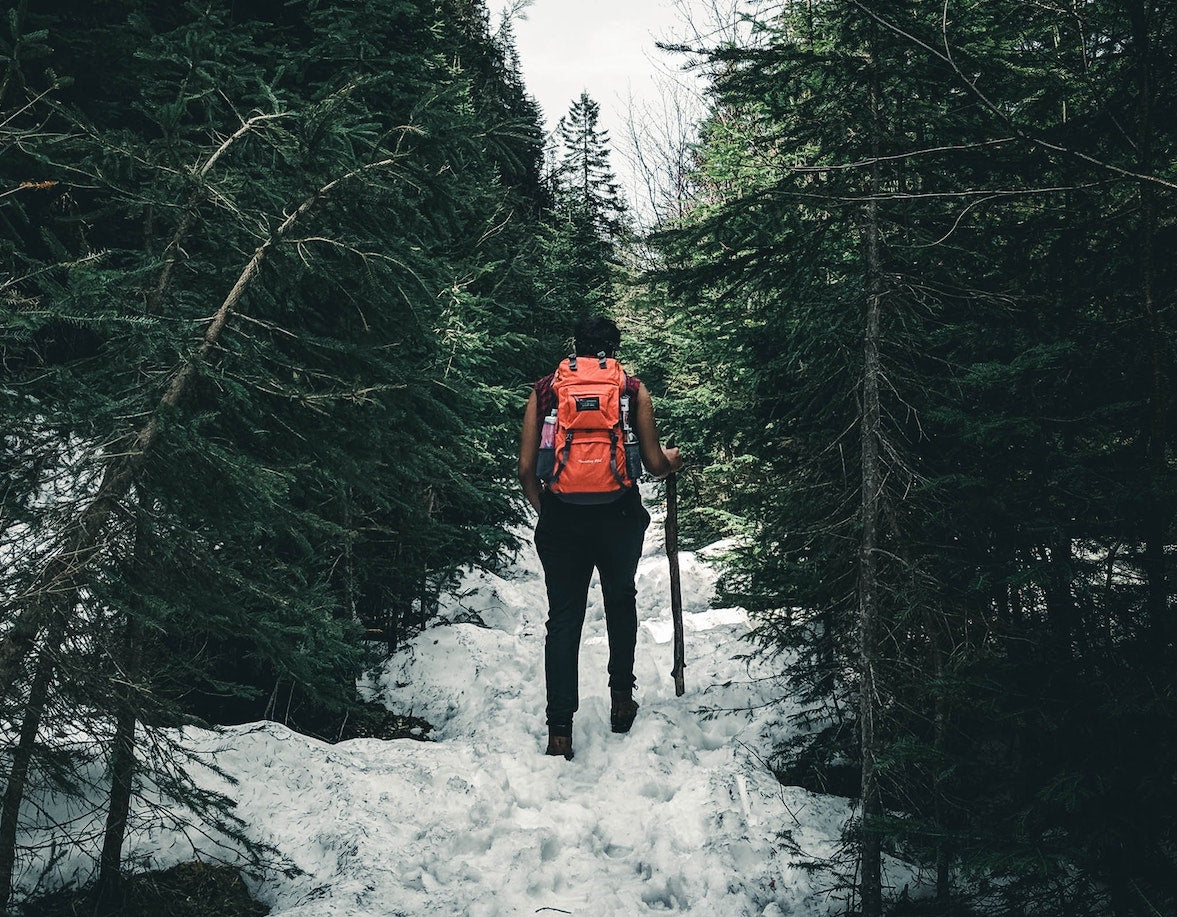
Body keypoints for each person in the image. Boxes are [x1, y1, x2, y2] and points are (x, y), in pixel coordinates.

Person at [517, 315, 683, 760]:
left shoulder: (546, 389)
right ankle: (621, 702)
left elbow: (525, 469)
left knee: (564, 619)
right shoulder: (630, 389)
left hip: (561, 519)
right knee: (620, 603)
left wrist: (548, 508)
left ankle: (559, 730)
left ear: (577, 346)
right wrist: (673, 458)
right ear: (613, 348)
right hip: (618, 516)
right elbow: (651, 463)